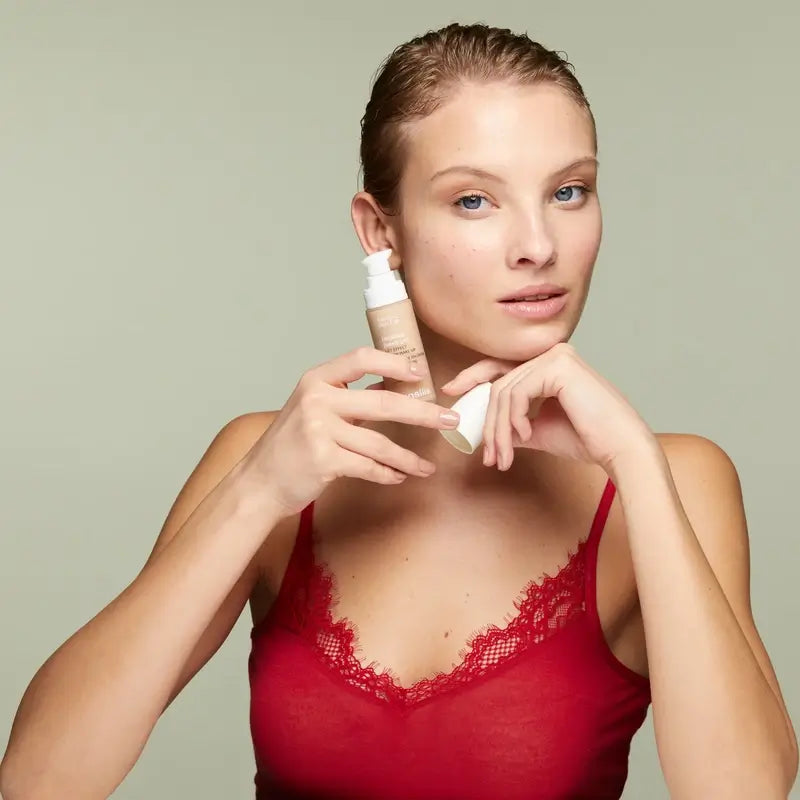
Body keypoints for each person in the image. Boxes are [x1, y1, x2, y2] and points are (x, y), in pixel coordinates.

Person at [1, 21, 797, 800]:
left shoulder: (674, 477)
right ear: (381, 231)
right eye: (475, 200)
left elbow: (744, 791)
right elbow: (38, 781)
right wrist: (256, 493)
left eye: (569, 191)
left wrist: (634, 463)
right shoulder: (267, 462)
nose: (538, 245)